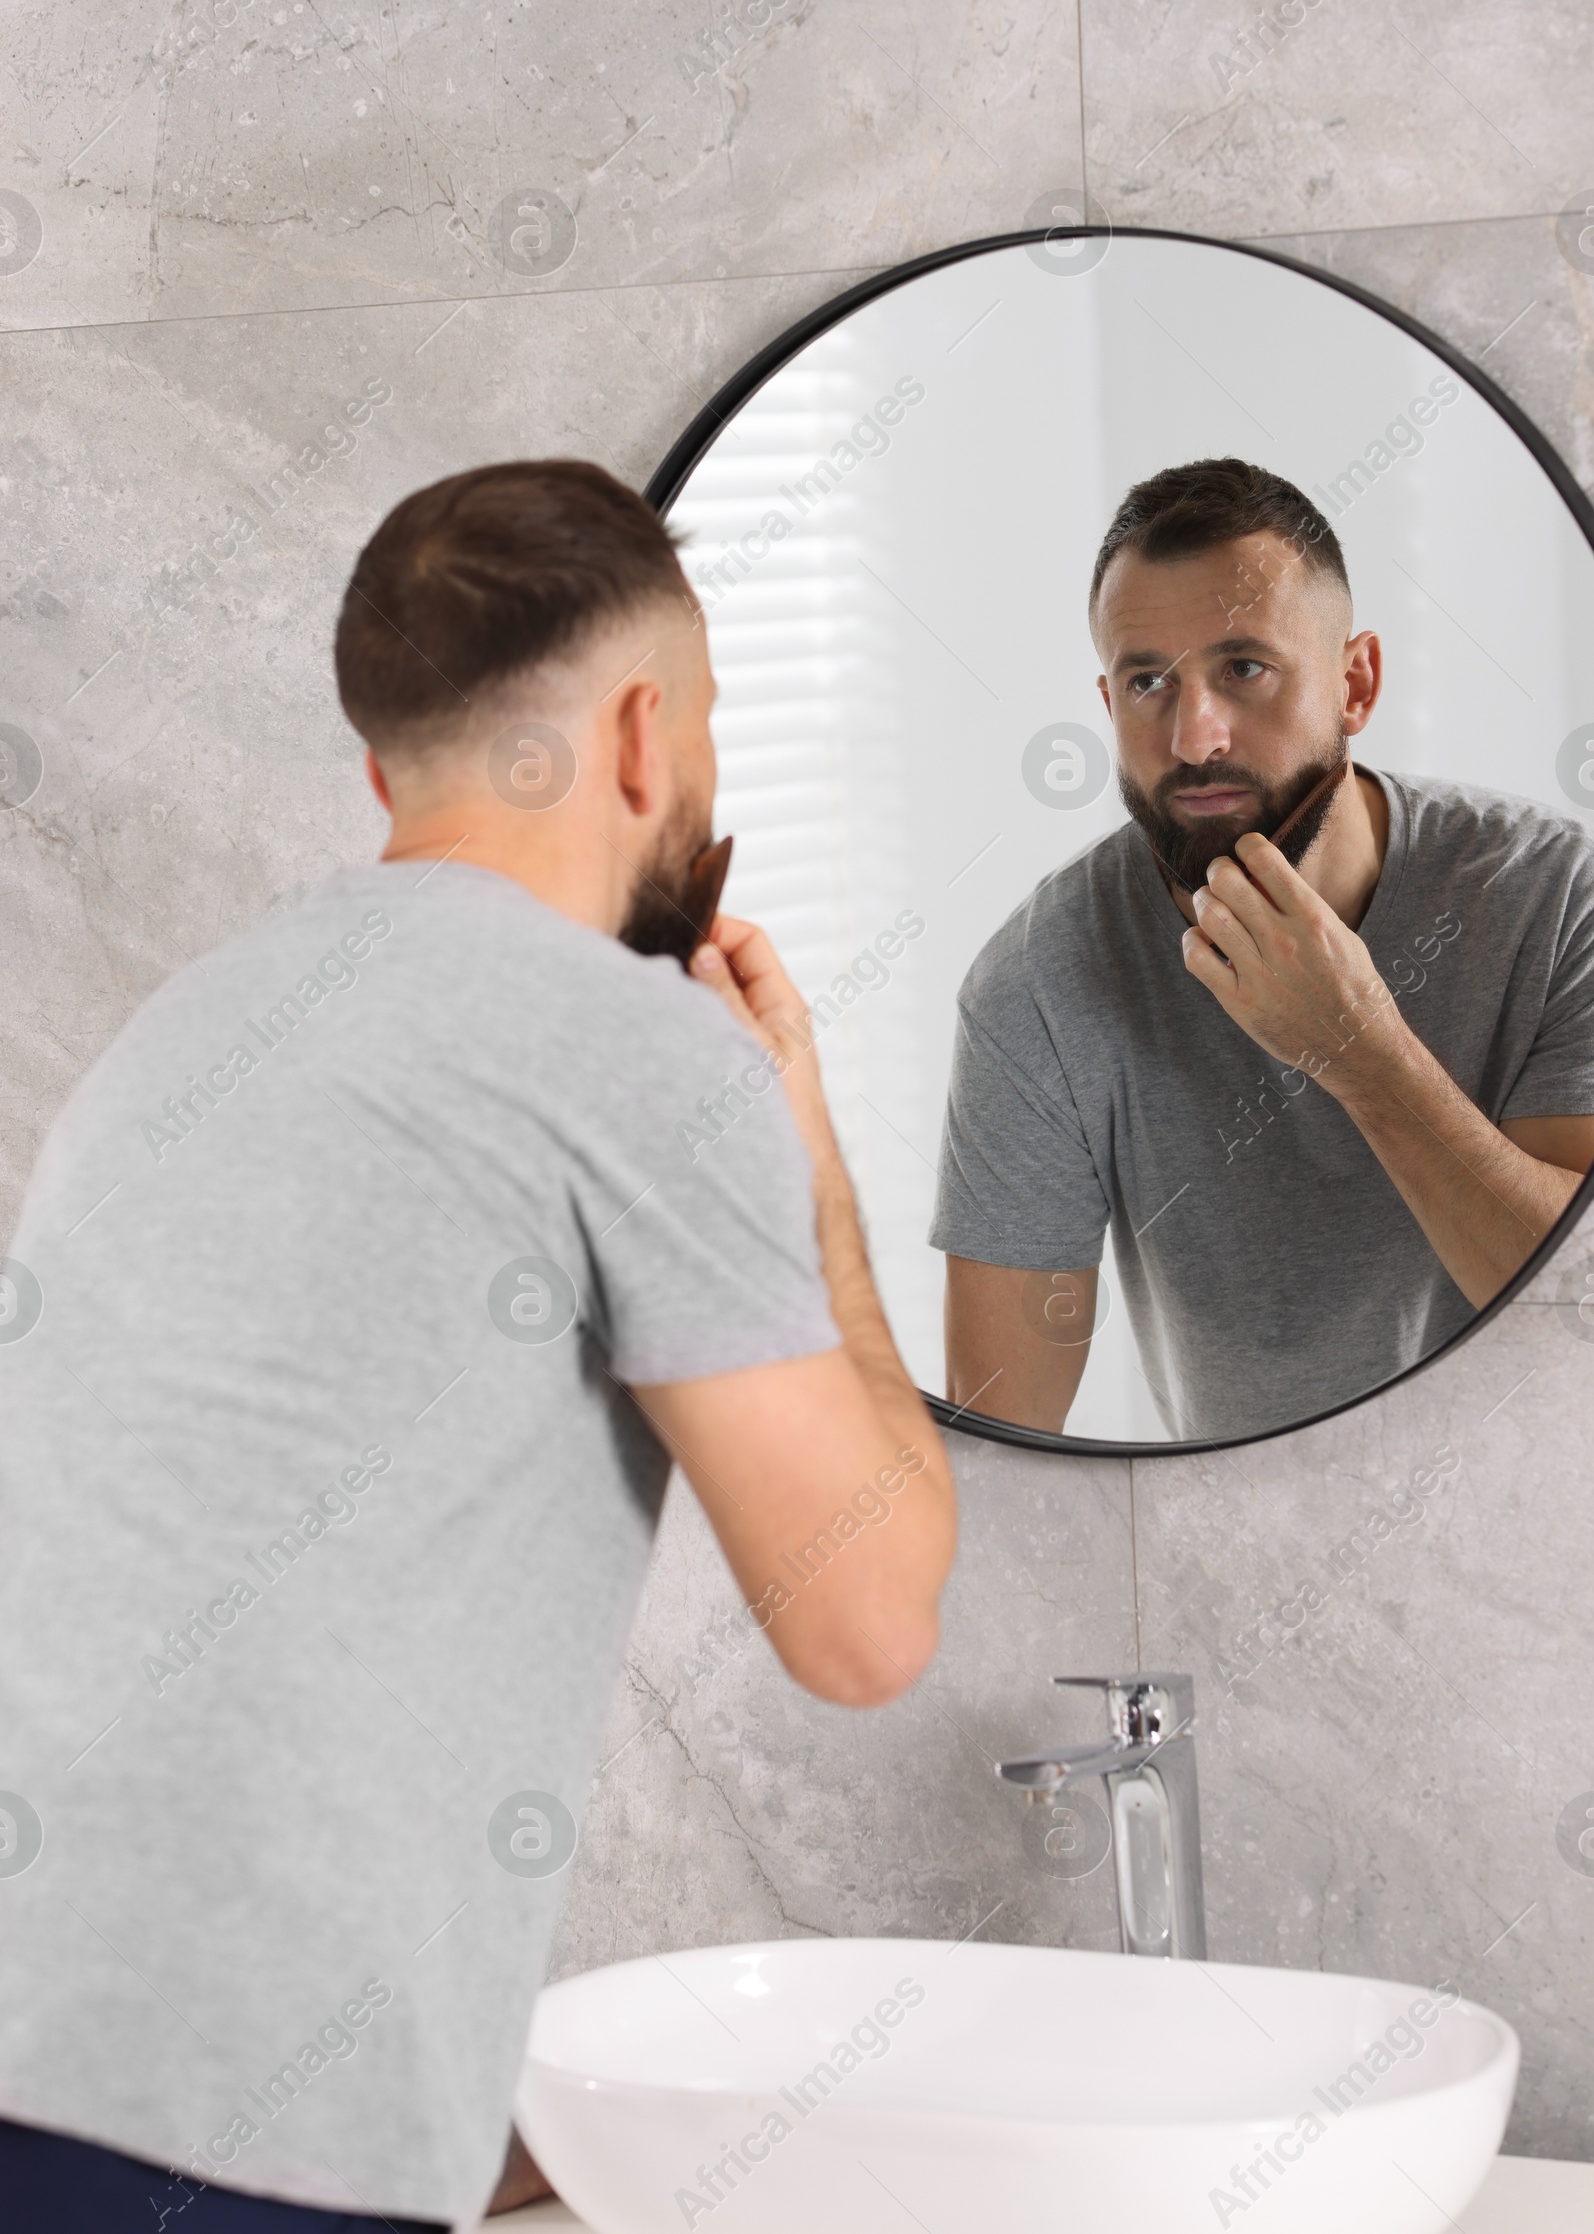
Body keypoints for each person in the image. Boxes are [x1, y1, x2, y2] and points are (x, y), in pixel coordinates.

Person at [0, 461, 956, 2229]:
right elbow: (866, 1617)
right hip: (217, 2135)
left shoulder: (184, 1033)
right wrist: (804, 1150)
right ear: (649, 736)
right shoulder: (635, 1055)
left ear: (386, 771)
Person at [936, 456, 1594, 1443]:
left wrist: (1359, 1050)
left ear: (1356, 680)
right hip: (1247, 1557)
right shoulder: (1037, 983)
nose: (1195, 733)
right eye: (1147, 679)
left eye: (1243, 667)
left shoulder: (1553, 897)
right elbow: (1000, 1434)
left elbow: (1578, 1320)